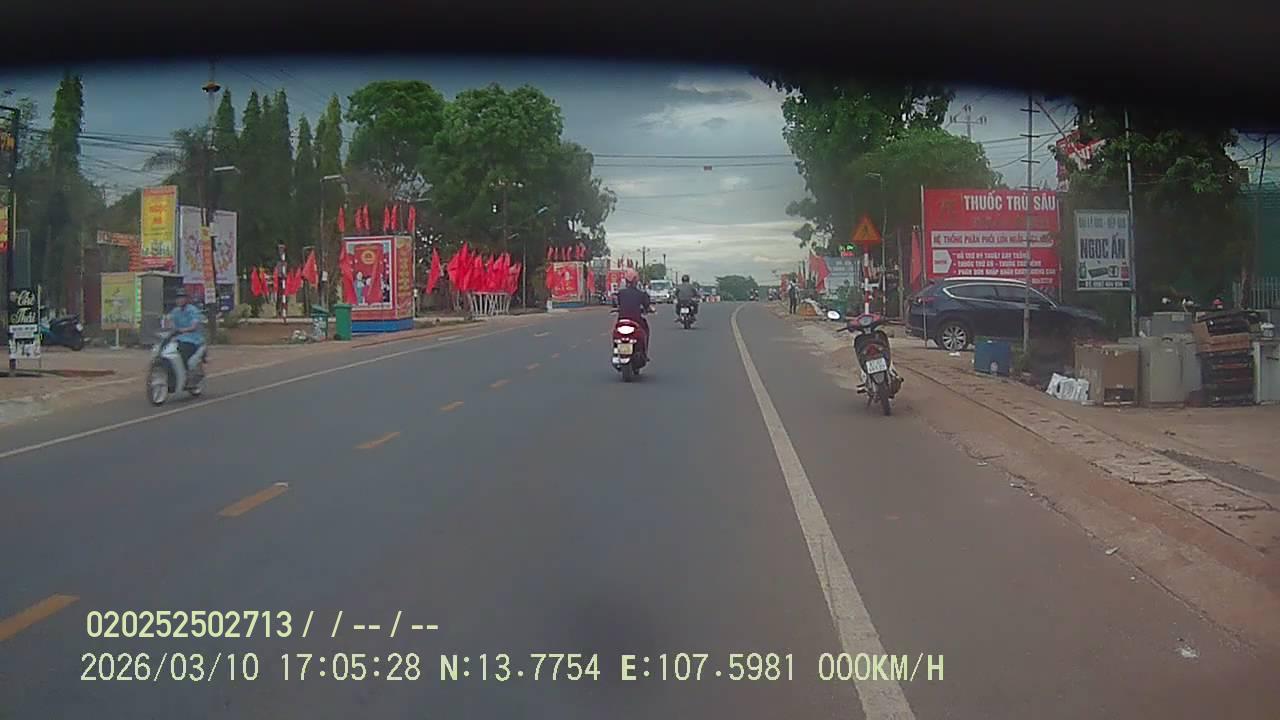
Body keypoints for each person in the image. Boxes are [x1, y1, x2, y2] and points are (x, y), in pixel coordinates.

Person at [615, 268, 653, 354]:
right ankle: (644, 352)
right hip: (636, 321)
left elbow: (618, 304)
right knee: (645, 330)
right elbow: (647, 305)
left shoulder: (621, 293)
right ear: (636, 280)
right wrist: (649, 309)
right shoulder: (641, 294)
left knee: (616, 332)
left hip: (622, 321)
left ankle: (616, 350)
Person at [167, 288, 204, 370]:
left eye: (182, 297)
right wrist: (169, 324)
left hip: (192, 339)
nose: (180, 300)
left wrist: (181, 330)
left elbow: (194, 326)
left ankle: (185, 371)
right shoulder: (175, 311)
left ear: (186, 299)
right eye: (178, 298)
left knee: (182, 352)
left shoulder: (192, 310)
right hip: (178, 339)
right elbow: (171, 323)